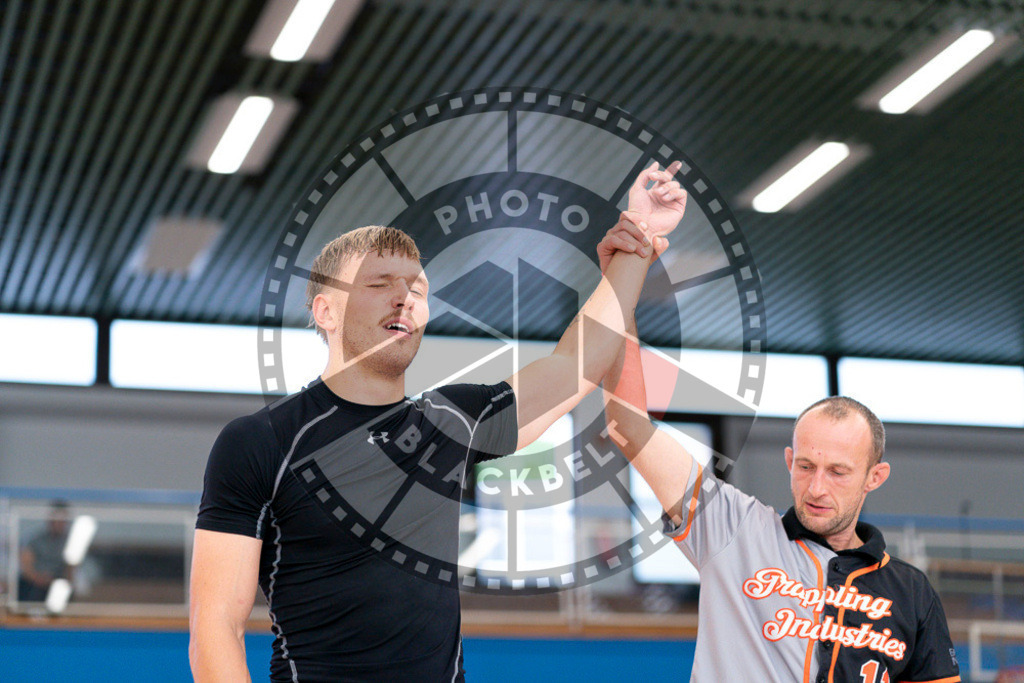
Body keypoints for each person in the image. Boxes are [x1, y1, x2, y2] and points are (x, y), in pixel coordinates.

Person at [188, 162, 688, 682]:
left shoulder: (452, 420)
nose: (404, 296)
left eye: (418, 288)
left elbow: (575, 367)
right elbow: (215, 626)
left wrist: (637, 242)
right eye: (379, 283)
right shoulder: (262, 441)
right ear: (326, 312)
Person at [597, 255, 962, 683]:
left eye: (838, 472)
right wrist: (620, 279)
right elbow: (629, 426)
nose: (816, 487)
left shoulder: (911, 592)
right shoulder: (732, 528)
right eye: (805, 466)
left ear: (874, 478)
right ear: (789, 461)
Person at [18, 500, 70, 603]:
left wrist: (56, 581)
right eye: (58, 520)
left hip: (56, 583)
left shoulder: (70, 543)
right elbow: (26, 565)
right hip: (34, 583)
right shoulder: (36, 539)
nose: (60, 524)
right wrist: (38, 578)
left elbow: (71, 570)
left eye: (63, 520)